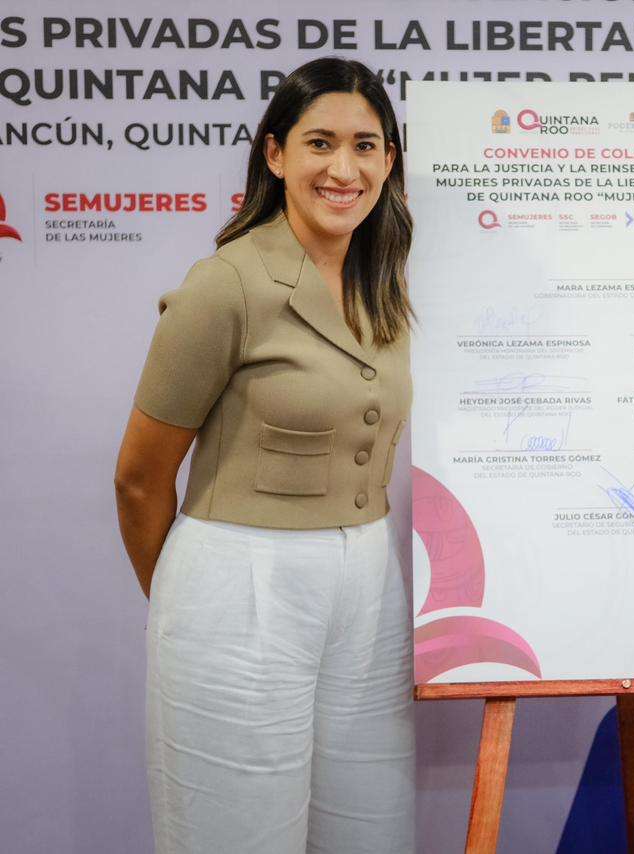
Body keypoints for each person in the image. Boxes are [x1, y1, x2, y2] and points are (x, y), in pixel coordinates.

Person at [113, 58, 415, 854]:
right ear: (275, 154)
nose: (344, 168)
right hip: (239, 585)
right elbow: (139, 480)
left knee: (372, 835)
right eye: (320, 143)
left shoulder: (383, 285)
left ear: (389, 160)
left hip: (370, 585)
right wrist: (190, 609)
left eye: (365, 146)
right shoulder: (227, 284)